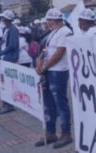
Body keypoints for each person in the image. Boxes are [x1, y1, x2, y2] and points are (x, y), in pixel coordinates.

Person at [34, 8, 73, 149]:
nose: (48, 23)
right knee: (48, 103)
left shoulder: (65, 32)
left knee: (60, 103)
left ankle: (66, 133)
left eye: (50, 21)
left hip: (58, 72)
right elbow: (45, 51)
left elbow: (59, 53)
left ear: (56, 21)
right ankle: (51, 132)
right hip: (49, 71)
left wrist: (43, 67)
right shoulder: (53, 33)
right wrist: (39, 61)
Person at [0, 10, 20, 114]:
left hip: (9, 58)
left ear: (7, 19)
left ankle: (9, 105)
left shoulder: (13, 30)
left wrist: (0, 53)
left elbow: (12, 45)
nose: (2, 19)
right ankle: (5, 104)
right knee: (3, 83)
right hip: (4, 58)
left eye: (3, 18)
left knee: (7, 83)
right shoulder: (6, 29)